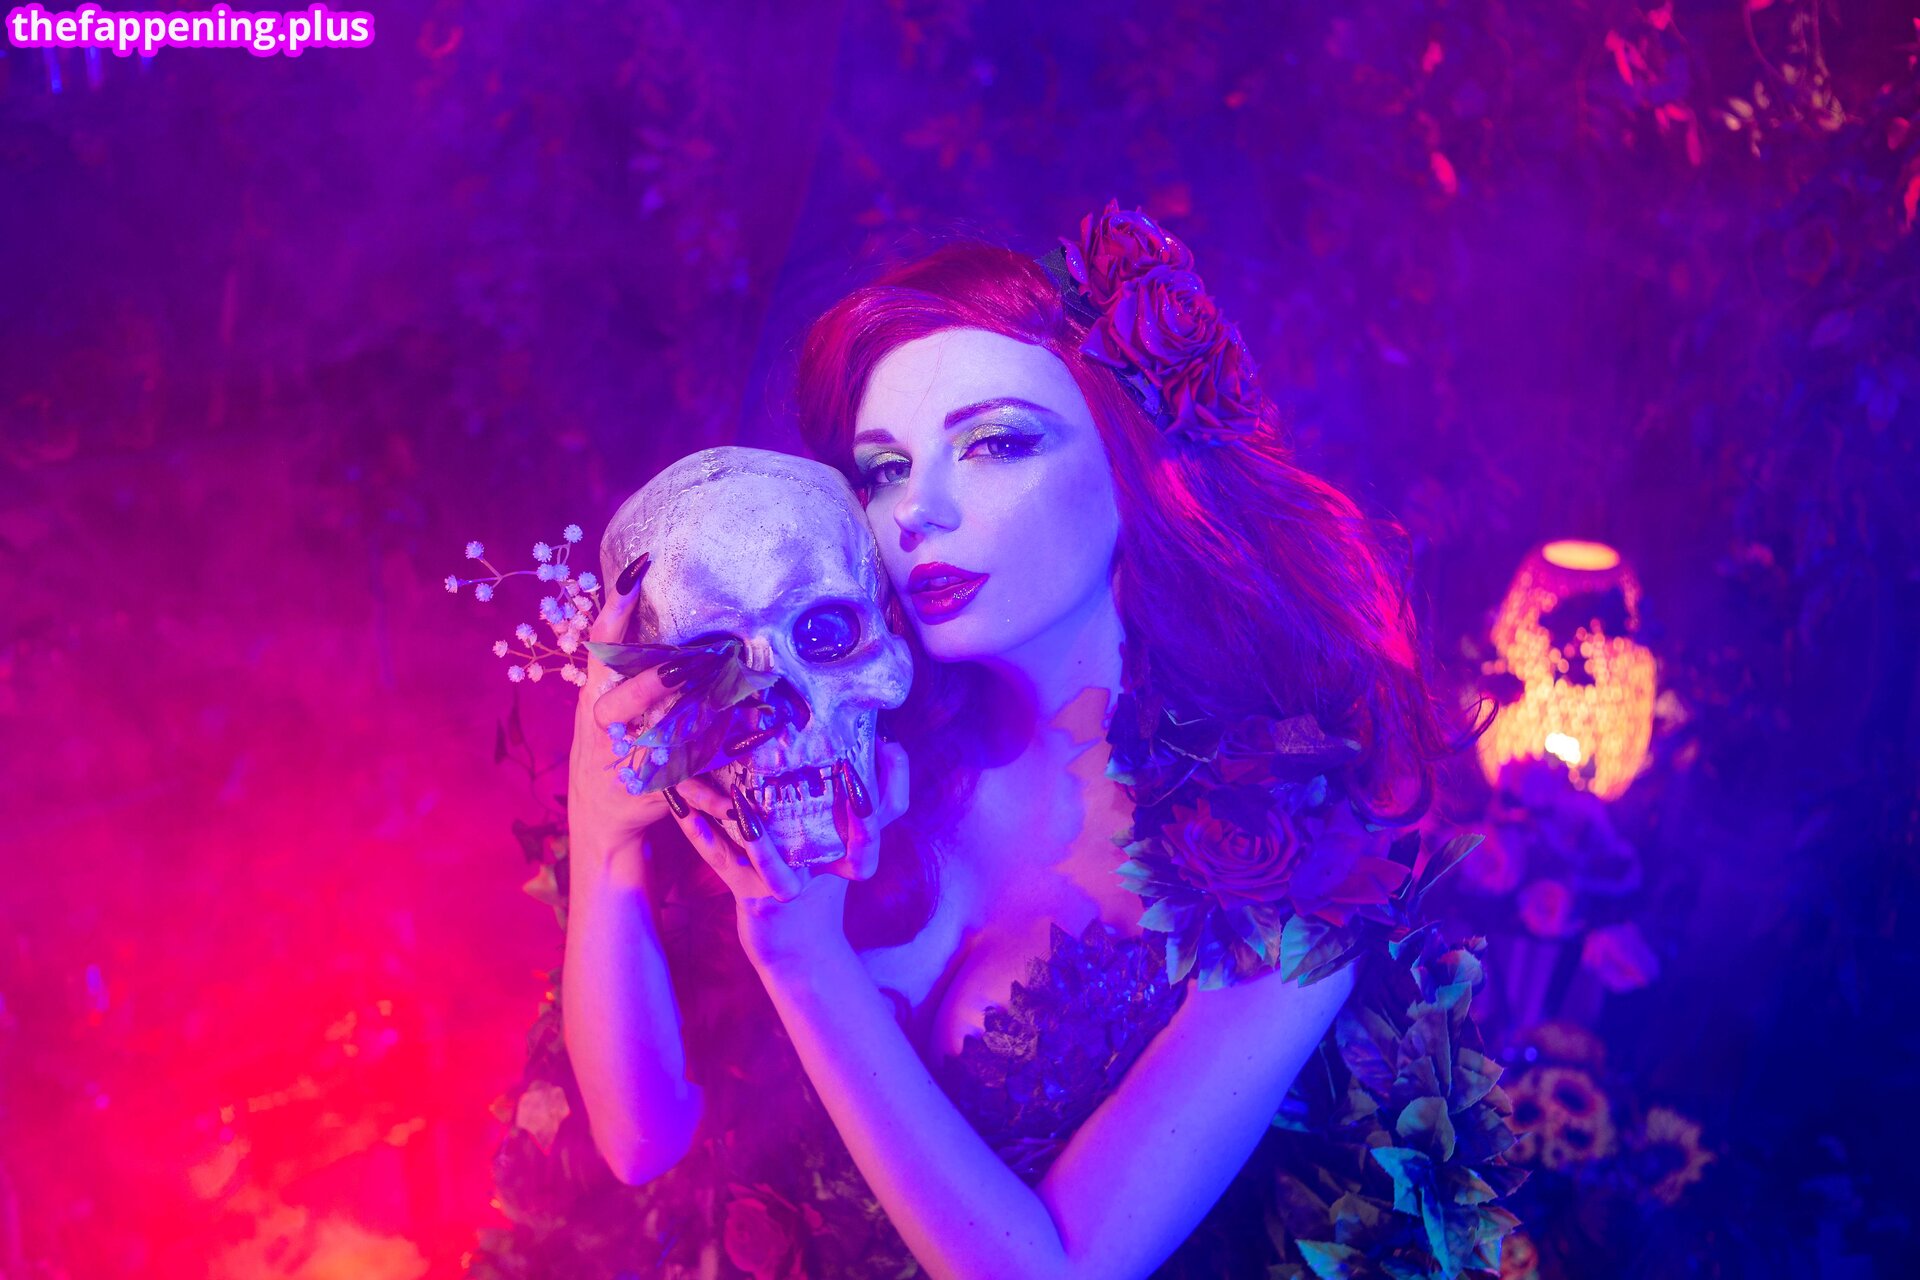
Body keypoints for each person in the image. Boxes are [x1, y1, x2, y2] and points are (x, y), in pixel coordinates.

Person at [473, 205, 1522, 1280]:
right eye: (884, 468)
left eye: (997, 444)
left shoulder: (1295, 860)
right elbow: (641, 1139)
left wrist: (803, 956)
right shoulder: (834, 708)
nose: (917, 510)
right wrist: (604, 837)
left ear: (1136, 461)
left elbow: (1056, 1270)